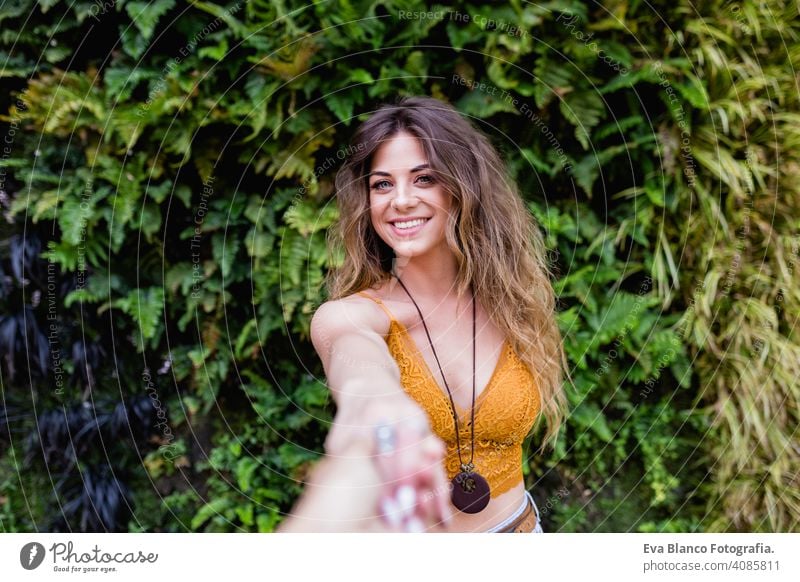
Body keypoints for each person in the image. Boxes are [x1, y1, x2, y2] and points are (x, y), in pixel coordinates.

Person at [278, 95, 568, 533]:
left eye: (424, 178)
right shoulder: (351, 317)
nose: (401, 200)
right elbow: (360, 371)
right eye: (381, 184)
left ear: (463, 188)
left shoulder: (511, 301)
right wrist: (382, 414)